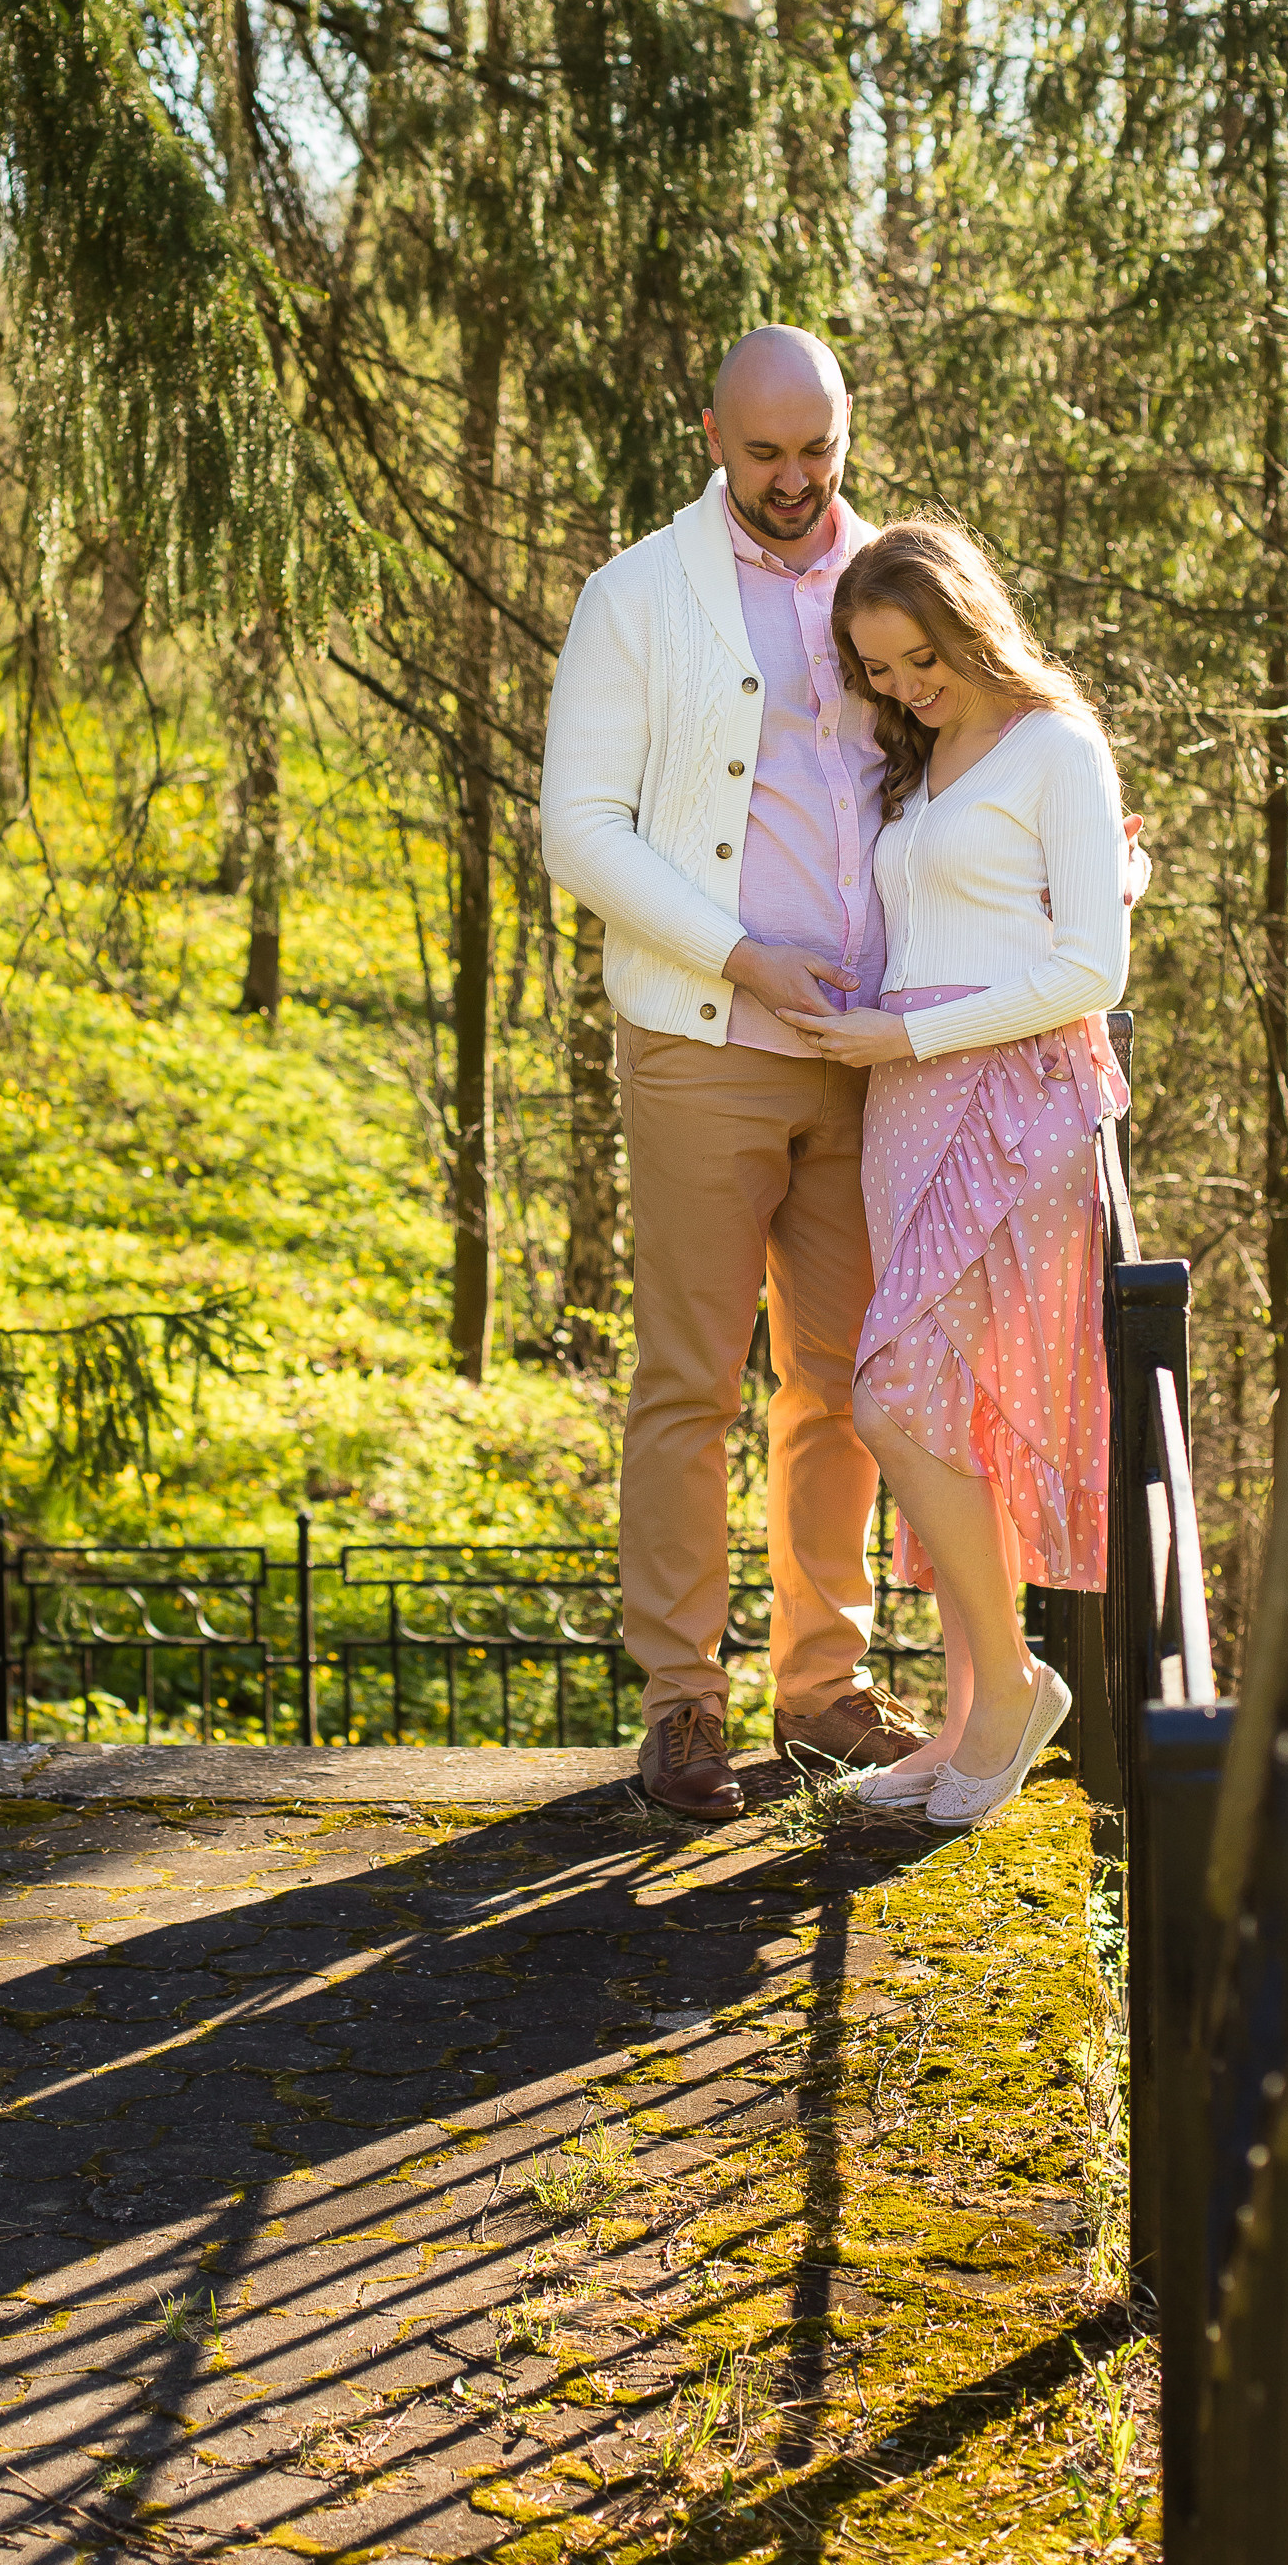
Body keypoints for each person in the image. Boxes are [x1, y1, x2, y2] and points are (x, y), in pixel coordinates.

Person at [540, 326, 929, 1822]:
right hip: (706, 1046)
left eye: (815, 449)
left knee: (843, 1386)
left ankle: (825, 1690)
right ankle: (685, 1706)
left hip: (868, 1054)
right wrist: (737, 954)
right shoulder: (637, 596)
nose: (792, 480)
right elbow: (584, 830)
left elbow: (987, 747)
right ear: (712, 432)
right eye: (763, 451)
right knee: (691, 1385)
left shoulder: (898, 576)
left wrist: (1080, 864)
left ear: (845, 430)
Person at [772, 518, 1133, 1830]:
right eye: (880, 671)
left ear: (972, 620)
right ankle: (968, 1707)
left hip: (1006, 1103)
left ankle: (1014, 1693)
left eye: (921, 658)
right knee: (942, 1413)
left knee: (895, 1394)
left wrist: (907, 1030)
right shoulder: (927, 765)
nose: (906, 687)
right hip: (907, 1106)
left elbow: (1093, 966)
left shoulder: (1055, 745)